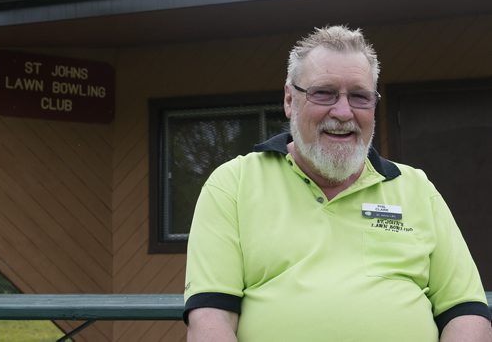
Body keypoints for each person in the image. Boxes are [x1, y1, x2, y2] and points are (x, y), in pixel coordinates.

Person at [183, 25, 492, 341]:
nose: (343, 112)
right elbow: (210, 320)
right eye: (323, 93)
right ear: (290, 100)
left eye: (359, 96)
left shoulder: (416, 188)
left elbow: (467, 313)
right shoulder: (233, 184)